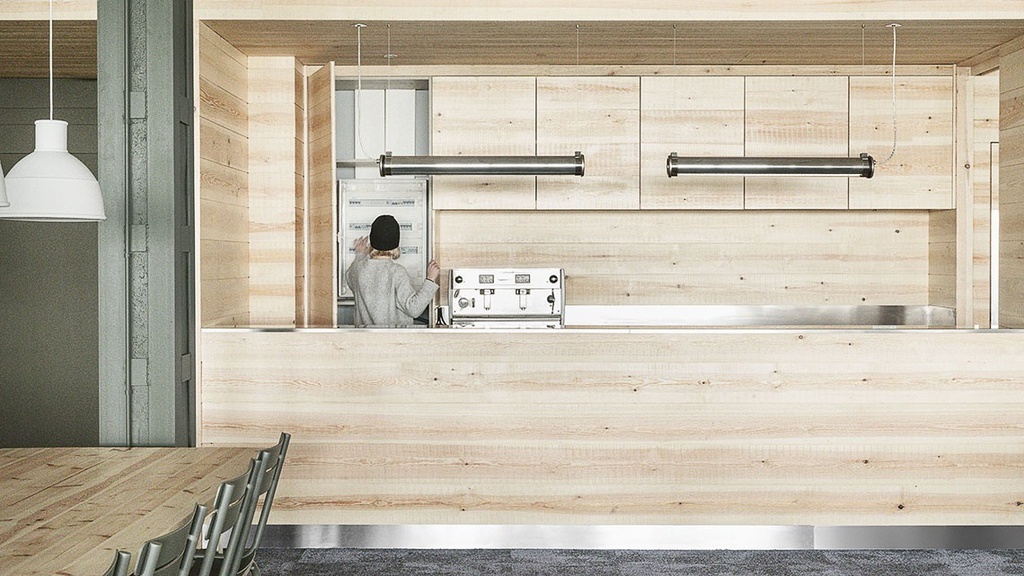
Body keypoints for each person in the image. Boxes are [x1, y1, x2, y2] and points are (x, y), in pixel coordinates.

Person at [348, 214, 440, 327]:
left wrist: (360, 255)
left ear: (371, 242)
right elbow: (414, 309)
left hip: (364, 336)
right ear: (396, 245)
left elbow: (350, 277)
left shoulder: (357, 269)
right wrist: (430, 280)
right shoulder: (396, 272)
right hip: (394, 337)